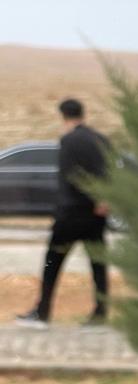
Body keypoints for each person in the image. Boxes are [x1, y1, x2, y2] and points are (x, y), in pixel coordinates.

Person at [15, 99, 111, 329]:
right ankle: (100, 314)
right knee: (98, 265)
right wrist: (103, 199)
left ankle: (42, 313)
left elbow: (72, 176)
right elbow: (109, 173)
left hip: (72, 213)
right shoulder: (101, 139)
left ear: (63, 116)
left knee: (52, 263)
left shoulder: (69, 141)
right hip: (97, 215)